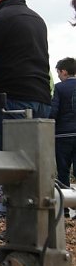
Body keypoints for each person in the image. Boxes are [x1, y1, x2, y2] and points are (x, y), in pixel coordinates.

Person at [0, 0, 51, 219]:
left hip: (11, 97)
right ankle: (36, 219)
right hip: (41, 96)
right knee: (35, 161)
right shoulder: (36, 18)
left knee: (10, 161)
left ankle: (10, 214)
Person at [50, 57, 76, 218]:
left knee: (63, 171)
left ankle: (65, 208)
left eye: (58, 72)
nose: (58, 75)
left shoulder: (59, 88)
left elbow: (54, 112)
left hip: (63, 134)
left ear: (64, 71)